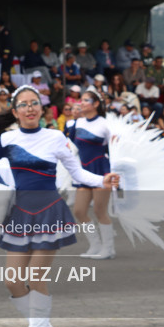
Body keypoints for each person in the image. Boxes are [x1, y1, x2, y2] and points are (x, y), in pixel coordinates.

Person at [0, 86, 118, 327]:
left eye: (35, 103)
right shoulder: (7, 138)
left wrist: (100, 181)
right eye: (24, 104)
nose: (30, 108)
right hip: (19, 212)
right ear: (15, 111)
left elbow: (77, 171)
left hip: (49, 213)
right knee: (12, 281)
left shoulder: (56, 137)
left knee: (35, 277)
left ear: (42, 109)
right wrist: (4, 186)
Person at [67, 89, 115, 260]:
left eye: (86, 100)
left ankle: (108, 249)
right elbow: (72, 144)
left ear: (96, 104)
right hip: (84, 171)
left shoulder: (106, 123)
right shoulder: (78, 122)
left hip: (101, 169)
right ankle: (95, 245)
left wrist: (113, 172)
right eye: (81, 100)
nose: (82, 103)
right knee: (79, 211)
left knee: (99, 210)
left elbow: (116, 149)